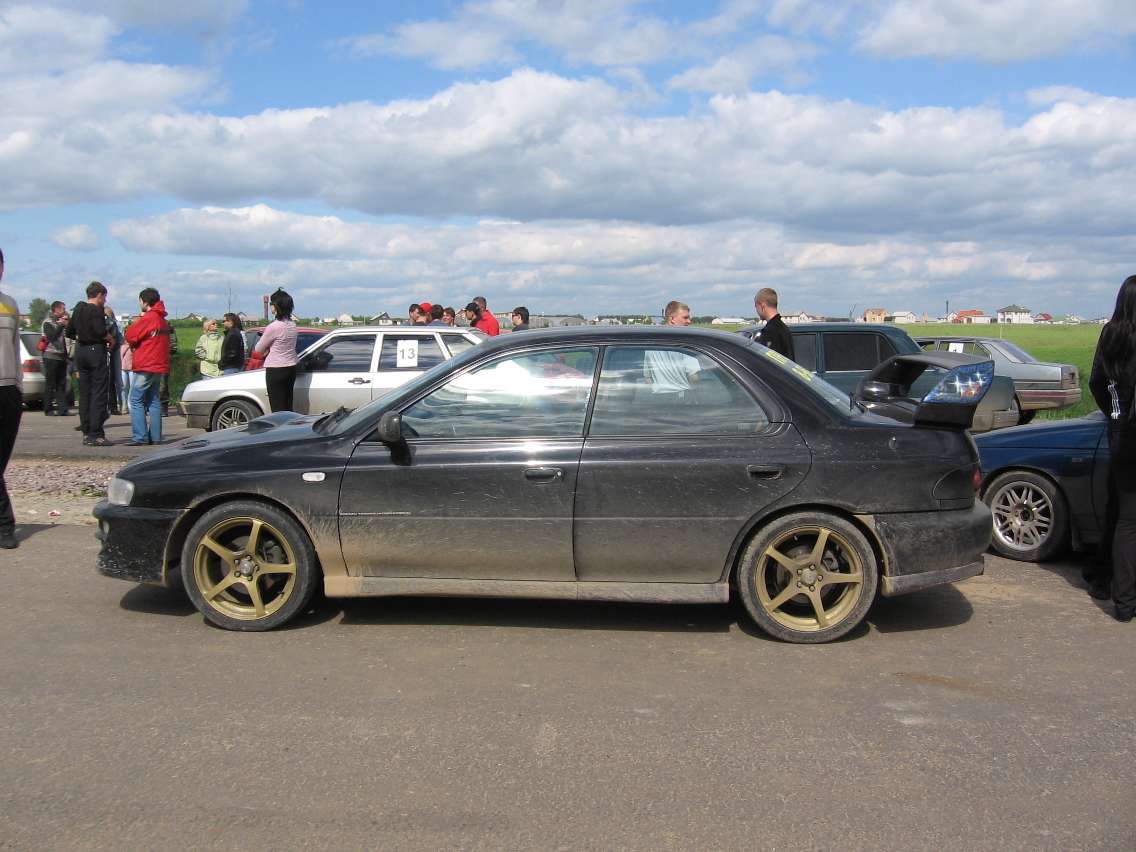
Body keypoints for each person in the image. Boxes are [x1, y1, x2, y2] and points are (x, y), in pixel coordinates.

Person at [1089, 274, 1136, 622]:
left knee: (1123, 517)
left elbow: (1096, 382)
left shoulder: (1111, 334)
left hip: (1122, 437)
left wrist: (1115, 415)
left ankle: (1122, 600)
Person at [66, 281, 112, 446]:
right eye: (104, 297)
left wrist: (80, 336)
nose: (104, 300)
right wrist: (110, 338)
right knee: (98, 392)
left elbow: (69, 331)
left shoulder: (78, 309)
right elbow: (100, 331)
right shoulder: (96, 310)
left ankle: (86, 432)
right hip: (95, 351)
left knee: (84, 393)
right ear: (99, 295)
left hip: (81, 352)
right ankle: (96, 433)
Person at [124, 288, 171, 446]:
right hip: (159, 364)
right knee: (153, 399)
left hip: (146, 363)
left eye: (140, 301)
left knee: (135, 399)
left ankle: (140, 436)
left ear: (144, 301)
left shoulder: (149, 318)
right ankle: (155, 437)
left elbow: (130, 335)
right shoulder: (162, 319)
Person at [0, 248, 22, 549]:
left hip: (8, 391)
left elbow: (15, 348)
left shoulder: (10, 304)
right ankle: (5, 525)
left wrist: (18, 387)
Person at [254, 289, 299, 413]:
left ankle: (280, 426)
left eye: (272, 303)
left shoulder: (274, 326)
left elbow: (258, 349)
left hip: (276, 369)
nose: (270, 306)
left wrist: (268, 349)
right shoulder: (292, 325)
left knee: (277, 407)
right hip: (291, 367)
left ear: (277, 306)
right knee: (288, 404)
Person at [644, 300, 699, 398]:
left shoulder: (651, 343)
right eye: (685, 318)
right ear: (672, 319)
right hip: (680, 397)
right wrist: (695, 396)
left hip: (657, 397)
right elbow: (694, 377)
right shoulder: (685, 344)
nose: (689, 321)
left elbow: (647, 378)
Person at [41, 301, 70, 416]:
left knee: (61, 383)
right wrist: (60, 325)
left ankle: (63, 409)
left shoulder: (62, 323)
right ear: (56, 310)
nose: (64, 311)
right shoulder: (47, 323)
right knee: (50, 384)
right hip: (50, 356)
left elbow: (65, 340)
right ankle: (48, 409)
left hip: (61, 356)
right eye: (62, 309)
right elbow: (52, 337)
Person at [754, 287, 795, 361]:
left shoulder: (770, 332)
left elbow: (768, 363)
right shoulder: (784, 329)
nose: (756, 310)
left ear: (762, 306)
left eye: (756, 306)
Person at [104, 306, 124, 414]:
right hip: (114, 351)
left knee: (108, 380)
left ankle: (110, 406)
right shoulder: (115, 323)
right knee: (114, 380)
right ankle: (115, 406)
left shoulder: (109, 323)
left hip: (108, 351)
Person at [119, 335, 133, 413]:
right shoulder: (122, 347)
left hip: (132, 369)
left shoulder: (133, 346)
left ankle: (130, 405)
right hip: (123, 369)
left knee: (132, 387)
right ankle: (124, 405)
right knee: (123, 387)